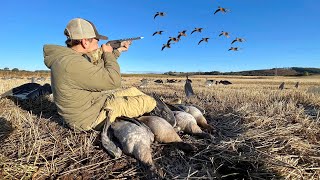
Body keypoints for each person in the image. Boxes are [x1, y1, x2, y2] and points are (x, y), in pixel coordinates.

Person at [43, 18, 175, 157]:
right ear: (85, 41)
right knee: (146, 101)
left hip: (93, 103)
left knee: (133, 91)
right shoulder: (71, 63)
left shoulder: (69, 57)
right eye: (96, 40)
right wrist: (107, 53)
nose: (99, 43)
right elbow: (113, 80)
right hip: (89, 118)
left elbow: (95, 67)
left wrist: (117, 51)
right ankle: (167, 121)